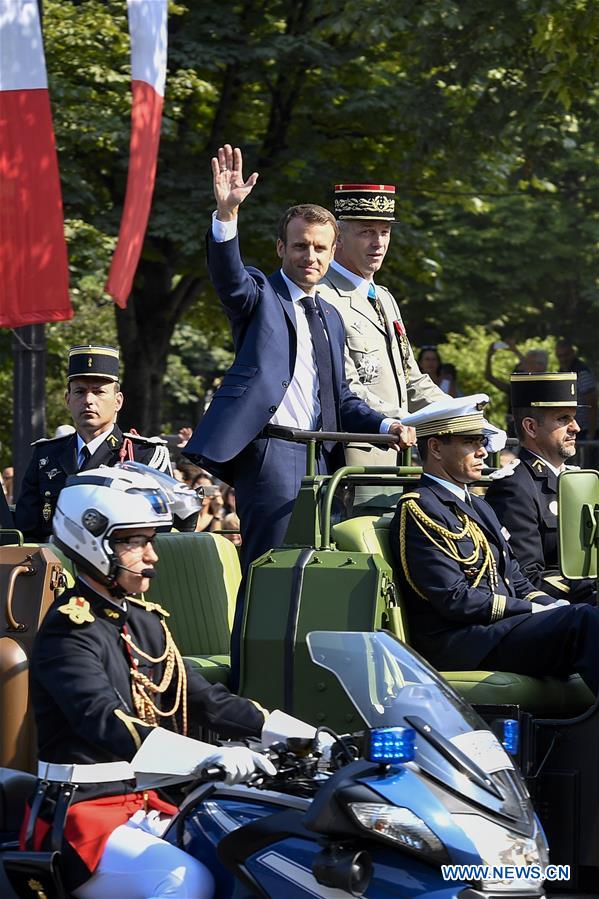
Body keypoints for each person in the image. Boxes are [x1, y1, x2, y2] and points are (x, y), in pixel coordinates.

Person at [23, 466, 277, 898]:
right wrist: (209, 755)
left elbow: (205, 700)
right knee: (183, 881)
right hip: (82, 814)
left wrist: (297, 734)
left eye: (150, 541)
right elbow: (103, 721)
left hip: (145, 803)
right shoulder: (70, 630)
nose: (152, 556)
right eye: (135, 542)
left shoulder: (145, 623)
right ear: (95, 542)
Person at [184, 145, 413, 573]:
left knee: (318, 572)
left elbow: (341, 397)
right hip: (274, 451)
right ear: (280, 249)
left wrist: (387, 425)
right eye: (300, 246)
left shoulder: (329, 314)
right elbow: (229, 279)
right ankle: (251, 643)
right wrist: (227, 216)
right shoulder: (260, 295)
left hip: (323, 457)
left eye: (320, 249)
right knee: (270, 568)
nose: (310, 257)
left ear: (332, 252)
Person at [389, 394, 599, 692]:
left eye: (482, 442)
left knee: (583, 615)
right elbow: (454, 599)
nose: (483, 452)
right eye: (471, 442)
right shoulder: (421, 507)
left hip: (495, 631)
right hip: (462, 642)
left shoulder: (478, 505)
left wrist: (552, 604)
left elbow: (516, 579)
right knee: (584, 622)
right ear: (435, 447)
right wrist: (529, 612)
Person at [316, 185, 445, 472]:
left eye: (384, 232)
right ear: (338, 238)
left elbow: (412, 378)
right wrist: (402, 420)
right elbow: (345, 387)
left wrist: (460, 415)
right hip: (355, 456)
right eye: (366, 232)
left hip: (396, 455)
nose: (378, 243)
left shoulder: (384, 298)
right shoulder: (321, 296)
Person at [14, 345, 183, 542]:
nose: (88, 400)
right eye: (79, 391)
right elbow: (27, 528)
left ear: (118, 401)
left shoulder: (144, 455)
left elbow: (163, 531)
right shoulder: (46, 455)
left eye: (99, 392)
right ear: (67, 399)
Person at [485, 372, 595, 603]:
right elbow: (526, 578)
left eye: (574, 418)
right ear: (531, 427)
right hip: (564, 613)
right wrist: (590, 587)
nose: (575, 428)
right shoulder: (514, 486)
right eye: (563, 419)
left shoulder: (576, 479)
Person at [555, 338, 597, 440]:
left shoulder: (582, 373)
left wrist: (591, 434)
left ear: (573, 353)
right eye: (560, 356)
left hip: (585, 430)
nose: (563, 359)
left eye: (566, 355)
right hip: (570, 430)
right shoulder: (562, 372)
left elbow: (592, 405)